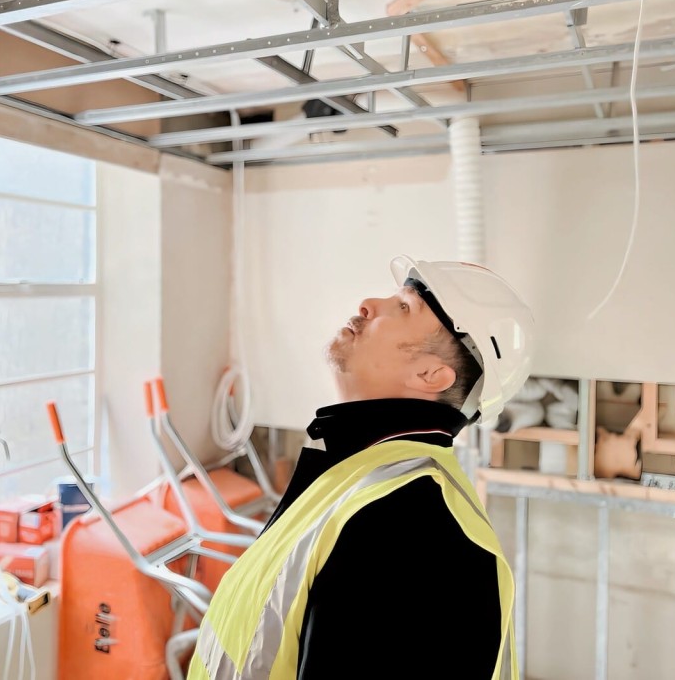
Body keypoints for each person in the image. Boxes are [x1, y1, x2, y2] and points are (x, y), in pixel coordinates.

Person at [186, 255, 535, 680]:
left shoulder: (412, 524)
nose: (369, 303)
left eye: (405, 307)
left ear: (430, 374)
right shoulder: (355, 477)